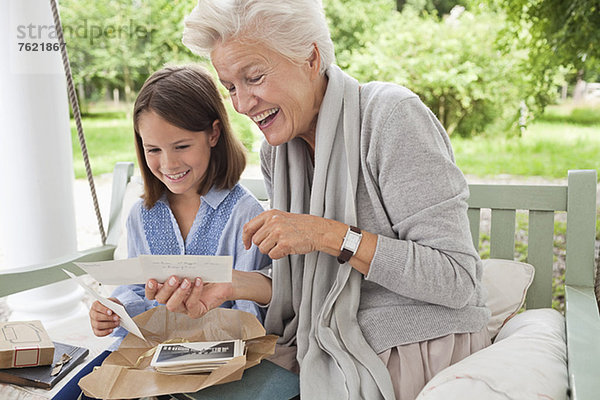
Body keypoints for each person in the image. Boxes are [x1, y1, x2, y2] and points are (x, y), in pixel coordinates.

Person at [148, 1, 492, 399]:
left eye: (254, 77)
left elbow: (457, 280)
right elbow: (303, 286)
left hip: (419, 341)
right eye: (230, 88)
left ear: (310, 57)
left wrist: (329, 235)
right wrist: (227, 285)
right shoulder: (278, 152)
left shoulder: (390, 117)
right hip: (327, 344)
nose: (241, 104)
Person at [88, 65, 271, 341]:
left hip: (223, 360)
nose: (169, 164)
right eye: (153, 150)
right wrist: (116, 309)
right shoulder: (142, 215)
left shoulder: (245, 215)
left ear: (213, 134)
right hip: (151, 356)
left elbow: (252, 312)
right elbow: (136, 288)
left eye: (182, 146)